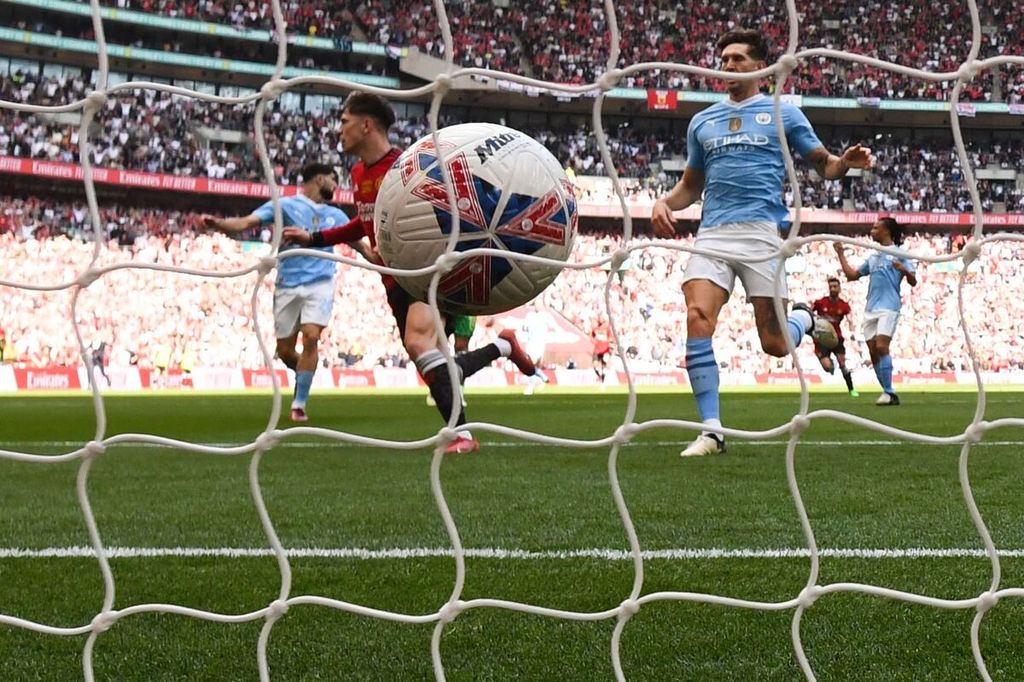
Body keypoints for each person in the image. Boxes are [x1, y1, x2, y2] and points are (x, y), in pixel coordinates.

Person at [650, 28, 874, 457]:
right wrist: (665, 203)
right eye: (724, 60)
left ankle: (805, 320)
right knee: (697, 314)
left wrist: (845, 163)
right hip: (713, 232)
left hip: (762, 236)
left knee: (773, 345)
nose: (728, 66)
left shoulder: (784, 113)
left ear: (761, 67)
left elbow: (824, 165)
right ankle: (712, 430)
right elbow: (690, 186)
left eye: (737, 59)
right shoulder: (703, 121)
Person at [282, 91, 536, 454]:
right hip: (393, 278)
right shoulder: (358, 173)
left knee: (419, 343)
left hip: (426, 270)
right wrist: (317, 236)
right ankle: (503, 345)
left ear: (366, 125)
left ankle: (462, 436)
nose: (339, 129)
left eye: (344, 121)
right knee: (438, 363)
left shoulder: (408, 166)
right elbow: (365, 220)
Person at [200, 162, 350, 422]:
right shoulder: (285, 206)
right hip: (288, 283)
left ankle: (299, 403)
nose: (336, 185)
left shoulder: (336, 216)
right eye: (332, 179)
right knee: (284, 351)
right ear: (318, 179)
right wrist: (219, 224)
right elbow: (247, 222)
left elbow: (362, 246)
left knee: (312, 336)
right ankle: (305, 373)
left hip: (321, 282)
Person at [834, 217, 917, 406]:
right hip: (870, 308)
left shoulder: (900, 254)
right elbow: (852, 276)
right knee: (873, 351)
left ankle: (889, 392)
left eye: (875, 228)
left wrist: (903, 270)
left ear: (886, 231)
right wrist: (840, 254)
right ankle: (887, 392)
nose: (871, 231)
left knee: (881, 346)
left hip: (889, 307)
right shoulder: (873, 257)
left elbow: (913, 281)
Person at [811, 277, 858, 396]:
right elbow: (810, 312)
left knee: (843, 364)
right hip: (822, 339)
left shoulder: (844, 305)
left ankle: (851, 389)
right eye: (831, 287)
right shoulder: (821, 303)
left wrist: (852, 330)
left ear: (839, 288)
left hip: (837, 338)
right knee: (827, 367)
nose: (833, 289)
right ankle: (831, 364)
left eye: (835, 286)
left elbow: (850, 319)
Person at [591, 316, 611, 388]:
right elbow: (591, 337)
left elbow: (610, 338)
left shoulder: (607, 329)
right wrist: (594, 341)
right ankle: (599, 376)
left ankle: (602, 380)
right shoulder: (595, 329)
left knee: (604, 365)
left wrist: (604, 341)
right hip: (597, 349)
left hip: (605, 349)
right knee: (595, 365)